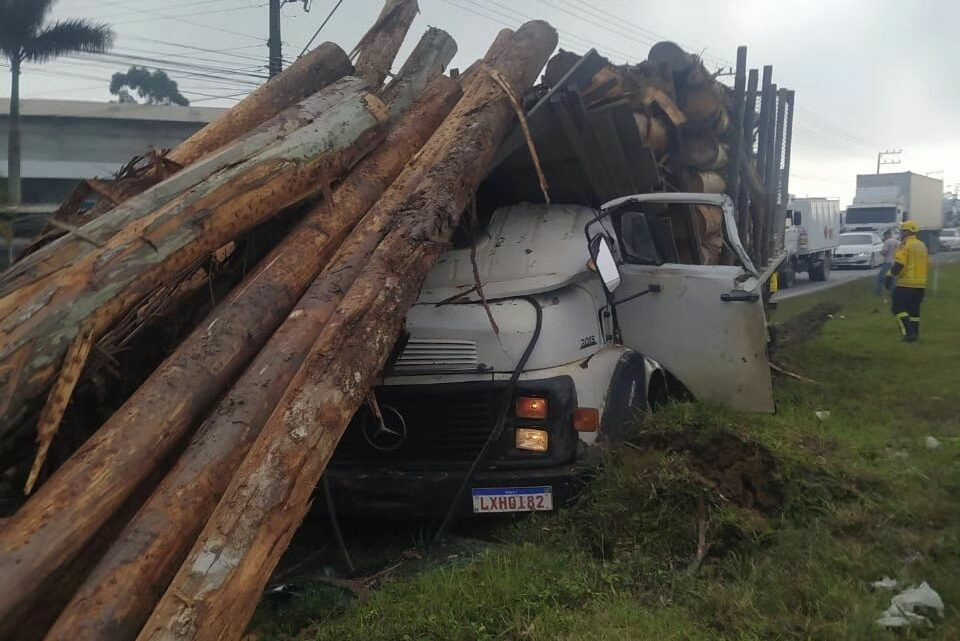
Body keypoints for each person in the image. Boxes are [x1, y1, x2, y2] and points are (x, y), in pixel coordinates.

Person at [885, 221, 929, 342]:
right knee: (914, 311)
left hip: (906, 283)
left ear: (907, 231)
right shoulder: (922, 245)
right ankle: (915, 334)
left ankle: (909, 334)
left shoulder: (905, 245)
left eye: (902, 231)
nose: (901, 233)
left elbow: (899, 263)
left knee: (897, 308)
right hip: (921, 284)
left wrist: (889, 276)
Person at [875, 229, 898, 297]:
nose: (884, 238)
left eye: (884, 236)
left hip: (888, 262)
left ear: (887, 235)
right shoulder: (897, 241)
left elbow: (885, 252)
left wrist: (881, 252)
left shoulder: (888, 241)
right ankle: (894, 293)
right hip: (895, 262)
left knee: (880, 278)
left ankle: (877, 293)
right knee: (893, 278)